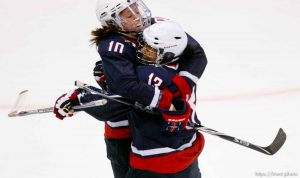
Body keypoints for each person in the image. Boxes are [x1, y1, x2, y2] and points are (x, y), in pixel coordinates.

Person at [53, 0, 207, 177]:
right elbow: (126, 93)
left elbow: (196, 54)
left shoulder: (161, 31)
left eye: (136, 8)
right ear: (112, 21)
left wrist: (81, 99)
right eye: (128, 14)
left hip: (150, 139)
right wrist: (170, 96)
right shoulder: (114, 45)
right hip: (128, 133)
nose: (138, 16)